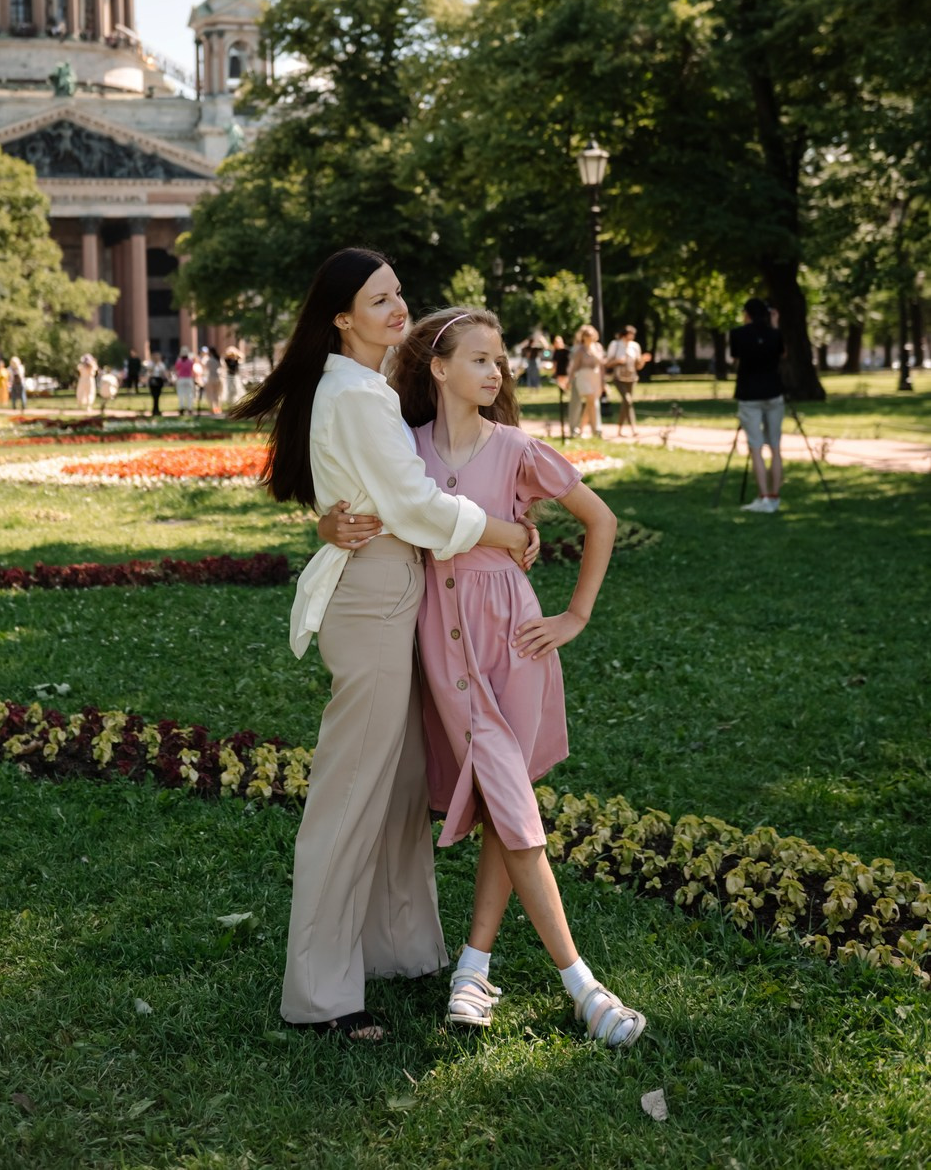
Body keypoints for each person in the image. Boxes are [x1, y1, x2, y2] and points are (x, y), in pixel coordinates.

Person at [235, 248, 540, 1042]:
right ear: (342, 318)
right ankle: (321, 995)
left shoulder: (367, 388)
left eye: (398, 293)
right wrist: (506, 531)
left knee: (401, 784)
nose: (398, 308)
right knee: (350, 794)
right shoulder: (357, 394)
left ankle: (399, 949)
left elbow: (372, 488)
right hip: (374, 595)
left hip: (394, 589)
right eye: (379, 299)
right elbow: (409, 504)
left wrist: (330, 517)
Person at [387, 306, 644, 1046]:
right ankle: (475, 968)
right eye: (479, 359)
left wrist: (574, 618)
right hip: (443, 643)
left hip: (517, 643)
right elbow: (358, 505)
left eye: (499, 361)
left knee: (509, 799)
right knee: (508, 800)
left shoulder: (518, 448)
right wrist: (330, 526)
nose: (496, 372)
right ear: (438, 368)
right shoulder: (405, 449)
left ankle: (576, 986)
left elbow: (600, 521)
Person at [729, 298, 785, 512]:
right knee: (775, 446)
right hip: (773, 393)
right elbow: (782, 353)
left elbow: (735, 358)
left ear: (748, 314)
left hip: (749, 395)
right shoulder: (775, 333)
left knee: (756, 447)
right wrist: (774, 325)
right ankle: (774, 495)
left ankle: (764, 497)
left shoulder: (738, 334)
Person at [603, 325, 647, 440]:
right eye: (631, 334)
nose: (632, 336)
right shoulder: (615, 345)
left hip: (631, 378)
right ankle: (633, 428)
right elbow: (607, 362)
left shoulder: (635, 346)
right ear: (625, 334)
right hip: (618, 378)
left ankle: (621, 429)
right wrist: (617, 361)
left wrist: (643, 360)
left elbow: (638, 366)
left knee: (627, 402)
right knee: (627, 400)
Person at [569, 325, 605, 439]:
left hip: (595, 377)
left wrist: (603, 381)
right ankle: (596, 429)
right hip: (583, 377)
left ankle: (581, 428)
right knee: (591, 400)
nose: (589, 337)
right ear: (583, 336)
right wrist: (569, 380)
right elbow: (574, 367)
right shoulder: (580, 350)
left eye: (591, 335)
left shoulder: (598, 347)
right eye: (587, 335)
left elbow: (602, 364)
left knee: (592, 403)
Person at [173, 347, 196, 414]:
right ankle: (189, 408)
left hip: (181, 379)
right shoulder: (190, 361)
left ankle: (181, 407)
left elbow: (176, 369)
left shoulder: (179, 361)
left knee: (181, 394)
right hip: (188, 379)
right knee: (189, 394)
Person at [146, 352, 169, 419]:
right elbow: (149, 372)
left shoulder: (161, 364)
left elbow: (163, 373)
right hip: (153, 379)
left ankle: (157, 410)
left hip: (159, 380)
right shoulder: (150, 364)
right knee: (154, 395)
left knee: (157, 396)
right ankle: (154, 410)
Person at [204, 346, 224, 417]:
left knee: (211, 394)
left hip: (211, 378)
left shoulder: (209, 360)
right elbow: (222, 367)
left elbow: (206, 368)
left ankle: (214, 409)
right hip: (218, 378)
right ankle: (218, 409)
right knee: (218, 394)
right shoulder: (219, 359)